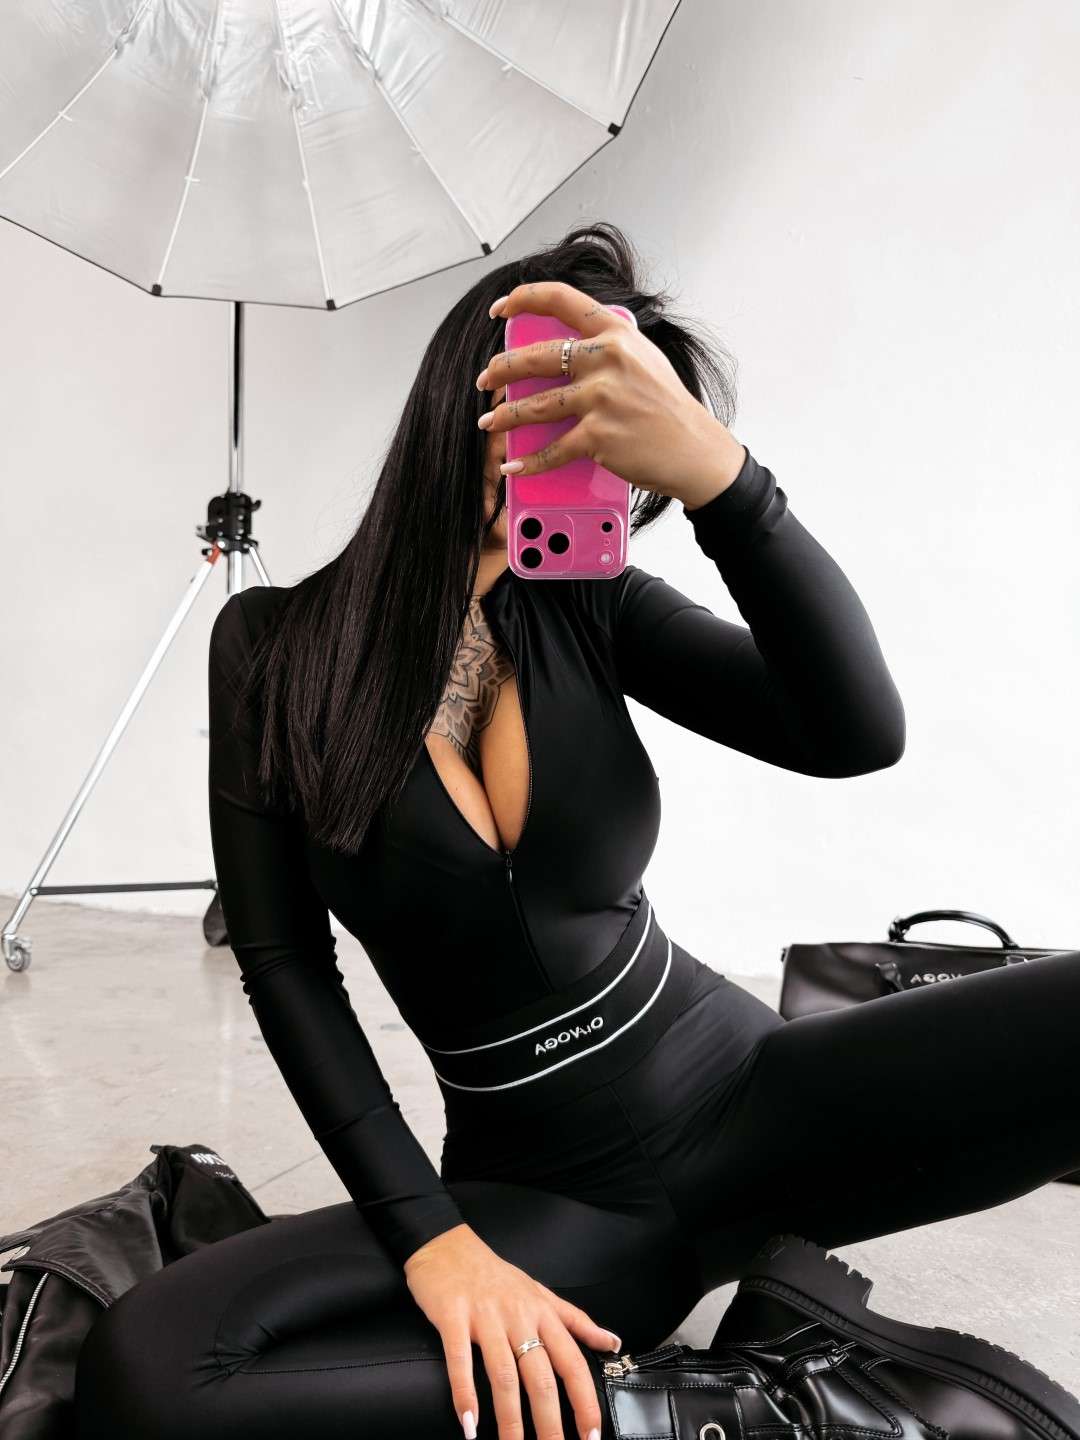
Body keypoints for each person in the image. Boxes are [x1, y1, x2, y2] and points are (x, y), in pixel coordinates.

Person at [74, 223, 1080, 1440]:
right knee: (151, 1371)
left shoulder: (595, 600)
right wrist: (435, 1239)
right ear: (482, 396)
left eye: (634, 427)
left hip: (756, 1098)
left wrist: (727, 484)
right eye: (586, 401)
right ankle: (744, 1405)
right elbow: (286, 964)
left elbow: (855, 731)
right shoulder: (270, 649)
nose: (606, 453)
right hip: (546, 1197)